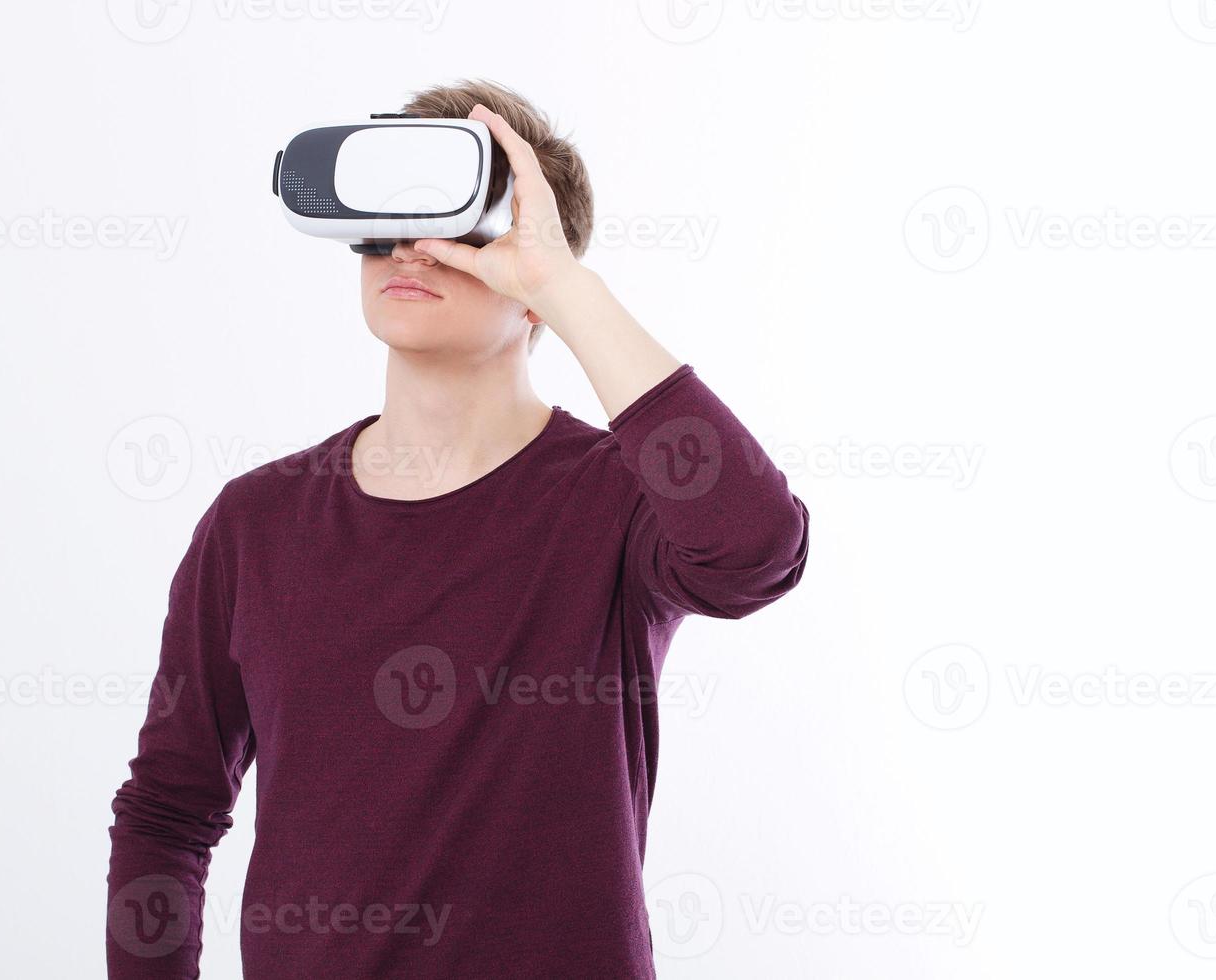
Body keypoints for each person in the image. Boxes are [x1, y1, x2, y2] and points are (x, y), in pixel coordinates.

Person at [107, 78, 809, 979]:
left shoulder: (616, 502)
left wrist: (560, 284)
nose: (413, 247)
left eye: (460, 222)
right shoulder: (254, 524)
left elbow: (757, 550)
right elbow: (168, 809)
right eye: (388, 216)